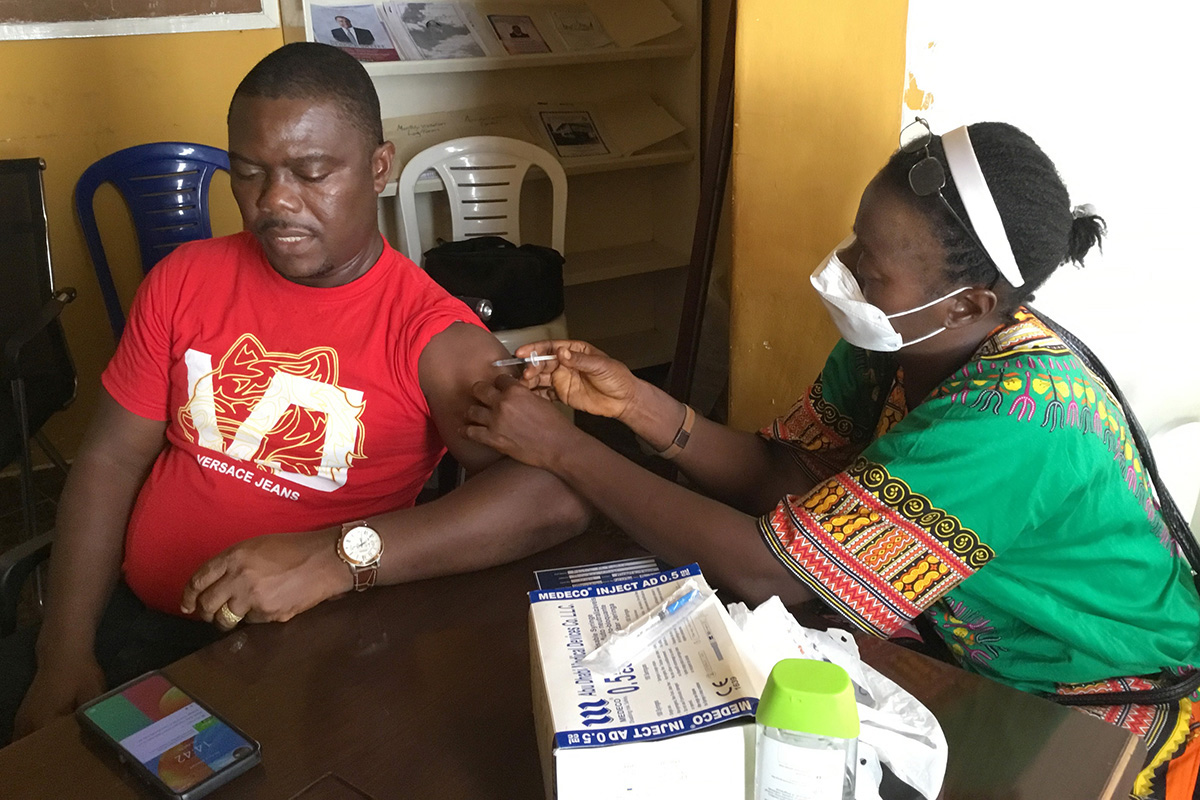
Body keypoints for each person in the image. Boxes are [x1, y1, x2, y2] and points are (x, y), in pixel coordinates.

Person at [464, 119, 1200, 799]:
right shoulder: (892, 338)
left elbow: (766, 566)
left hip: (1095, 700)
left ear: (967, 307)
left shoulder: (1020, 418)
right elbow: (786, 480)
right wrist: (634, 406)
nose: (842, 270)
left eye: (870, 269)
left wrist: (565, 448)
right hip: (964, 657)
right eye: (855, 242)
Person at [0, 42, 588, 745]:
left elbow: (558, 494)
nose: (275, 201)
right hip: (128, 624)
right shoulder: (185, 278)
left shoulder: (431, 335)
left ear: (379, 167)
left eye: (311, 173)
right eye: (248, 174)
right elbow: (109, 461)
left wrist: (336, 556)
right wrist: (64, 647)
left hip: (298, 654)